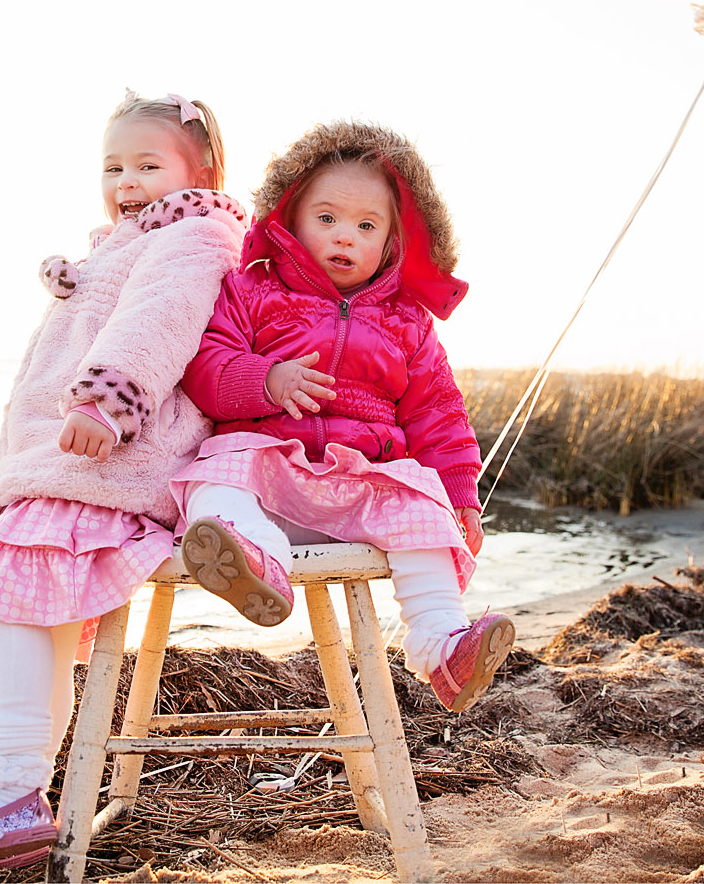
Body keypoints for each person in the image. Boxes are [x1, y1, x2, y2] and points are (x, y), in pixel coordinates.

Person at [0, 91, 247, 876]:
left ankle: (6, 788)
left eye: (149, 165)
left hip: (114, 452)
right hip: (71, 458)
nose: (126, 180)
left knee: (16, 587)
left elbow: (161, 319)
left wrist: (110, 398)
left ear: (200, 171)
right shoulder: (126, 240)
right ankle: (14, 792)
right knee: (28, 603)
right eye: (113, 166)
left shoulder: (193, 232)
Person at [173, 120, 515, 715]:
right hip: (270, 473)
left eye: (366, 226)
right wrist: (266, 380)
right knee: (216, 474)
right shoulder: (252, 292)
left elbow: (439, 413)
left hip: (361, 487)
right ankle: (252, 562)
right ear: (288, 219)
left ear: (393, 241)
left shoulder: (407, 319)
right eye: (326, 218)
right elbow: (205, 365)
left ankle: (443, 644)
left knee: (421, 506)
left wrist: (460, 498)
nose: (344, 238)